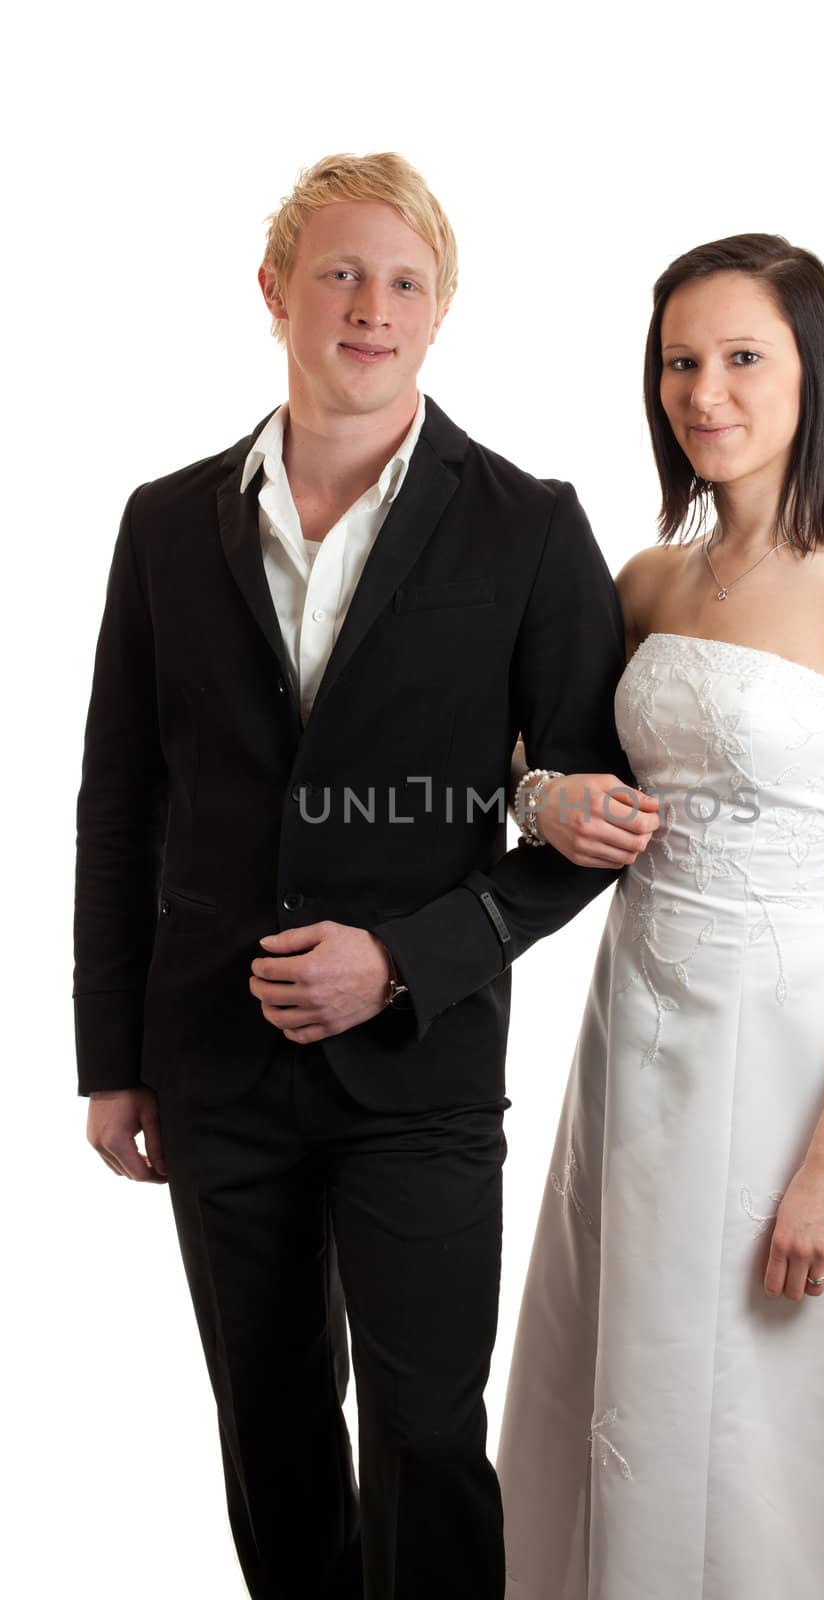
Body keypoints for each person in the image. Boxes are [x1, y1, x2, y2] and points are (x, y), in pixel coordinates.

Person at [73, 151, 637, 1600]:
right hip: (210, 1067)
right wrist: (112, 1059)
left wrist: (402, 959)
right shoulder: (162, 521)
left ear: (440, 314)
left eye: (404, 282)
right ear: (275, 293)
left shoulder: (529, 526)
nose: (370, 307)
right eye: (340, 272)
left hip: (421, 1073)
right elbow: (120, 805)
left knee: (428, 1436)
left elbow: (587, 831)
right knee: (266, 1432)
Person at [496, 235, 824, 1598]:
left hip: (784, 1040)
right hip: (634, 1028)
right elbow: (525, 768)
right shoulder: (646, 584)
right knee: (621, 1359)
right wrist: (544, 799)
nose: (705, 393)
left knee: (768, 1391)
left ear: (814, 372)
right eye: (679, 363)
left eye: (743, 357)